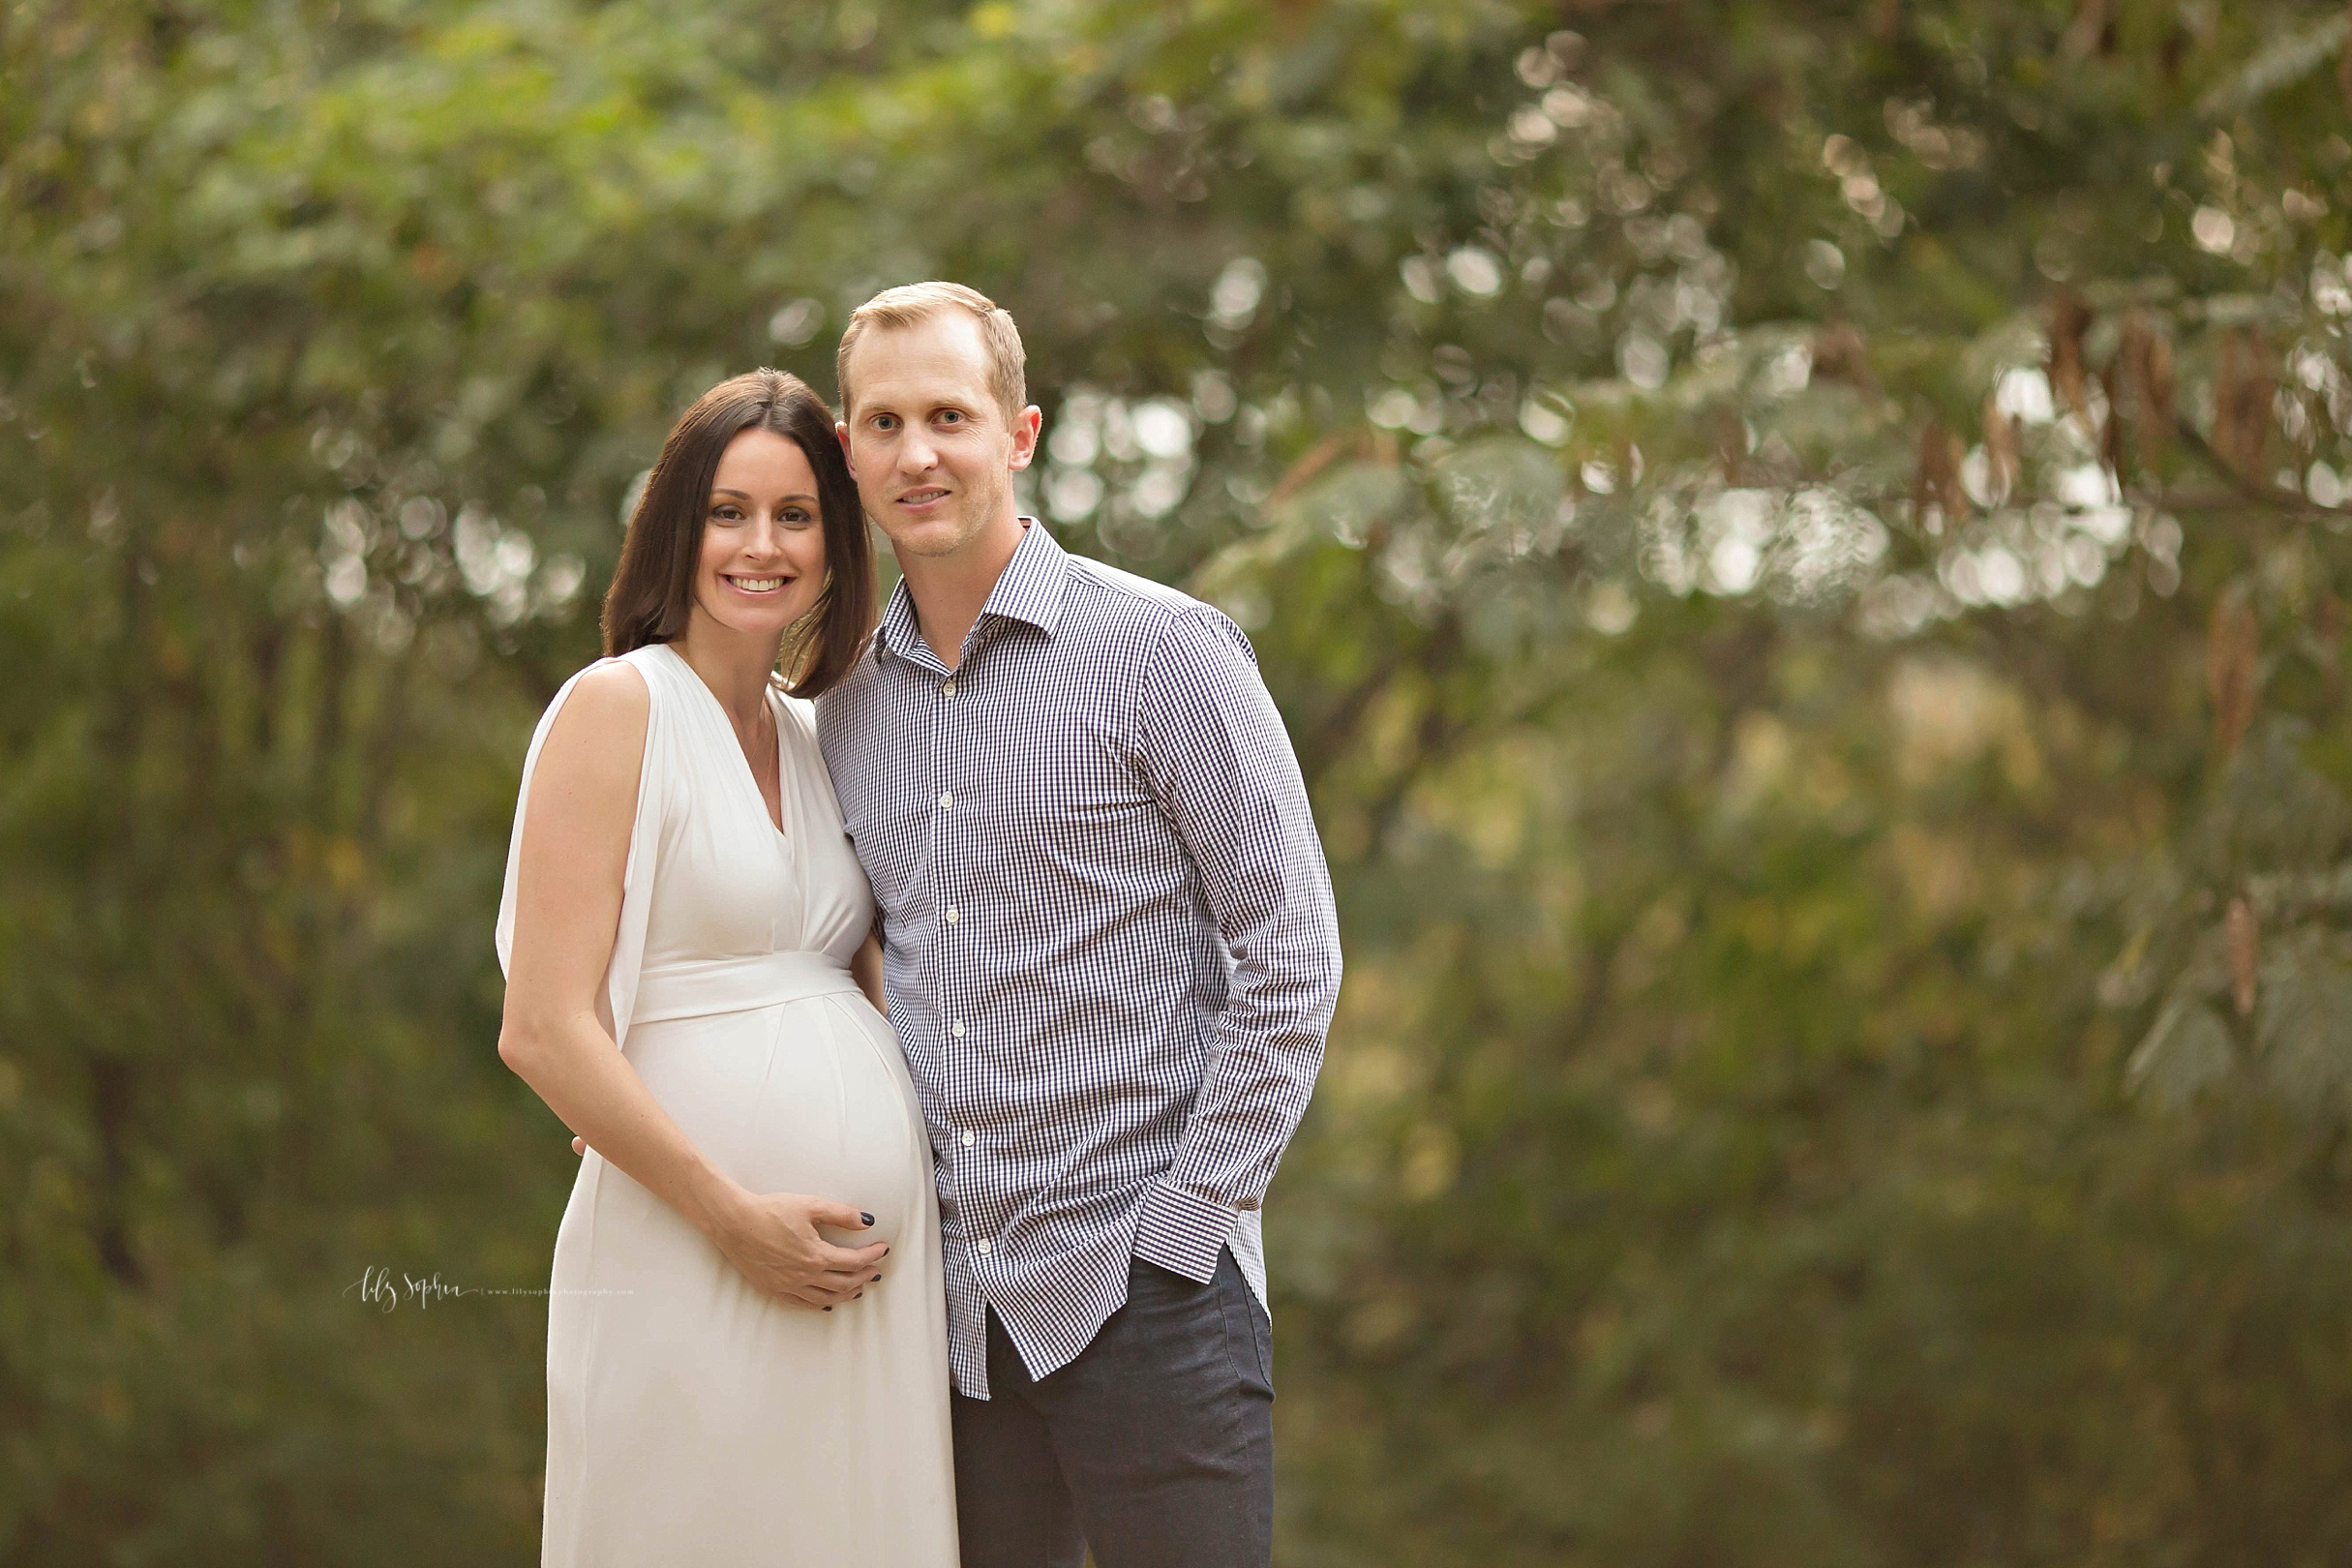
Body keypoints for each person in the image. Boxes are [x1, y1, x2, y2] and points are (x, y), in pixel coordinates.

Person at [817, 282, 1344, 1568]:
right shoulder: (841, 712)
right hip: (949, 1327)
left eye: (949, 414)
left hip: (1148, 1295)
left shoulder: (1167, 653)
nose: (916, 453)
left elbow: (1292, 949)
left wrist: (1183, 1227)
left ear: (1020, 433)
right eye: (882, 423)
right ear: (849, 451)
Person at [494, 369, 957, 1566]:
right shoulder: (617, 708)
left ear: (835, 542)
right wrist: (732, 1216)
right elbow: (543, 1028)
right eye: (728, 511)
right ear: (675, 527)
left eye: (796, 515)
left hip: (861, 1290)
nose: (763, 546)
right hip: (689, 1250)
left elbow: (865, 989)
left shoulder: (822, 733)